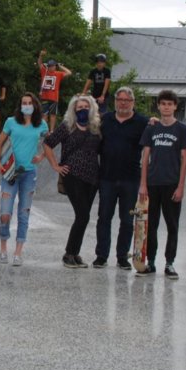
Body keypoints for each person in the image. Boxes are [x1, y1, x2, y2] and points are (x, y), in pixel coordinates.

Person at [94, 86, 150, 269]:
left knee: (127, 220)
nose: (123, 103)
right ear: (115, 101)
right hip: (107, 178)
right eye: (120, 100)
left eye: (127, 100)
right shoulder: (105, 120)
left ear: (132, 102)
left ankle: (122, 257)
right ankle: (101, 256)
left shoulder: (142, 122)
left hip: (131, 180)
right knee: (104, 218)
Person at [44, 95, 102, 268]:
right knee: (83, 215)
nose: (82, 109)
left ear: (91, 108)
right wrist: (56, 165)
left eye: (85, 106)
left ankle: (74, 253)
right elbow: (48, 144)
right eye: (79, 107)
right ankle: (69, 253)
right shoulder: (67, 126)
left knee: (83, 217)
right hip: (73, 175)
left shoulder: (96, 127)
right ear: (73, 109)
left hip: (92, 177)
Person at [138, 89, 186, 278]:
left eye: (170, 104)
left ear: (175, 106)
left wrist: (181, 186)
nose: (166, 107)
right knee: (151, 225)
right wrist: (143, 184)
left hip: (171, 183)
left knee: (172, 225)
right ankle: (150, 262)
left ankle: (169, 263)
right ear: (158, 106)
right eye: (163, 104)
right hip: (153, 183)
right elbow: (145, 157)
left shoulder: (182, 129)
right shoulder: (152, 127)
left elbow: (185, 159)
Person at [0, 93, 49, 266]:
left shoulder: (41, 124)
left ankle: (18, 252)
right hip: (10, 172)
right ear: (20, 105)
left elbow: (50, 142)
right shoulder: (11, 121)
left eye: (29, 103)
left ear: (35, 105)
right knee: (5, 213)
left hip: (29, 173)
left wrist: (42, 156)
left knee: (24, 213)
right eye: (24, 103)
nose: (26, 105)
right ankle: (3, 247)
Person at [36, 50, 73, 132]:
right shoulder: (44, 72)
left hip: (54, 97)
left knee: (53, 115)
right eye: (50, 66)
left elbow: (69, 73)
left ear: (55, 66)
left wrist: (60, 66)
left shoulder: (58, 73)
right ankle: (45, 130)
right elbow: (39, 63)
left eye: (53, 66)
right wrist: (41, 56)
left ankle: (52, 131)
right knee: (44, 114)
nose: (51, 67)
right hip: (44, 97)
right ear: (48, 66)